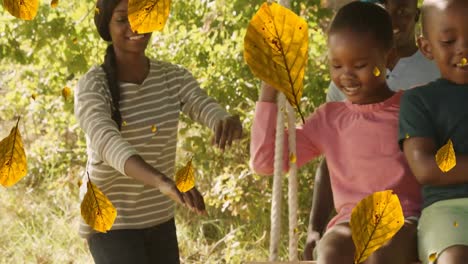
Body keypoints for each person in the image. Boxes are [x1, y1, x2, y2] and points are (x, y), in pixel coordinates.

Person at [251, 2, 422, 263]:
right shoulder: (328, 119)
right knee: (329, 252)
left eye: (360, 65)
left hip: (403, 219)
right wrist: (268, 89)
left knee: (380, 252)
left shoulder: (412, 109)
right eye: (337, 66)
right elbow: (264, 162)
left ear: (388, 58)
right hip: (349, 222)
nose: (347, 76)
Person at [74, 0, 243, 263]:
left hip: (158, 216)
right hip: (109, 221)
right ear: (106, 27)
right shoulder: (92, 86)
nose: (135, 25)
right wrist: (164, 182)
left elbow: (201, 104)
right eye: (122, 19)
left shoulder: (171, 77)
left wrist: (223, 121)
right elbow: (107, 143)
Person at [304, 0, 440, 260]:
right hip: (353, 215)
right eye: (386, 10)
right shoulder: (346, 83)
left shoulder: (435, 69)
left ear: (417, 16)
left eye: (402, 12)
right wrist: (315, 227)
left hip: (409, 212)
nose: (392, 19)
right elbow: (331, 158)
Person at [399, 0, 468, 263]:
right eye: (449, 41)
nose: (463, 47)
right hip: (447, 210)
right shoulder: (419, 100)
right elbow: (426, 168)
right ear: (426, 47)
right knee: (455, 259)